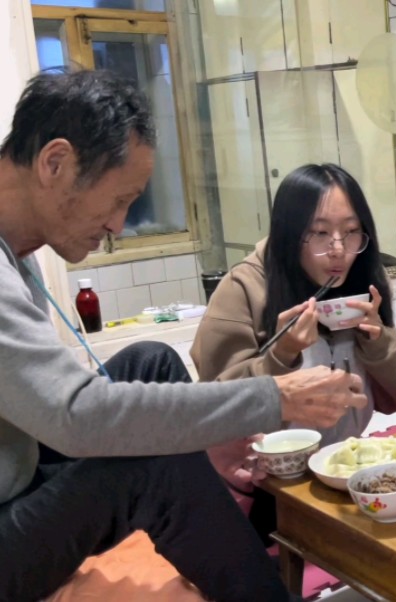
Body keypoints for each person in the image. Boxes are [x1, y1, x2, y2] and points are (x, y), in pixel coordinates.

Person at [0, 70, 368, 602]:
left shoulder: (18, 251)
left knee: (152, 362)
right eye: (119, 200)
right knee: (152, 454)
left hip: (24, 471)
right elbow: (75, 416)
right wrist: (274, 397)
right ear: (54, 163)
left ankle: (223, 537)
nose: (119, 226)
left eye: (350, 231)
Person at [190, 163, 396, 538]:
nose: (339, 250)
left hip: (342, 469)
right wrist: (282, 355)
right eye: (320, 233)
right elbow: (215, 407)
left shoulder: (363, 281)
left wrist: (379, 343)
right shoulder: (243, 288)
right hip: (262, 486)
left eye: (351, 232)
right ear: (291, 235)